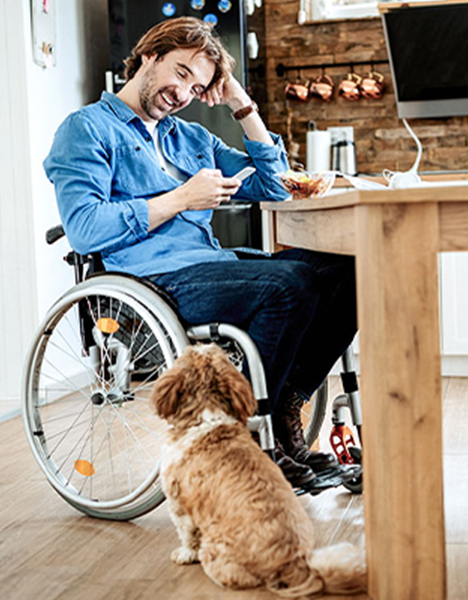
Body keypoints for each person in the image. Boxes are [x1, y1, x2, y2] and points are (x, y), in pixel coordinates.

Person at [44, 17, 357, 487]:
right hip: (151, 281)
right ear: (150, 56)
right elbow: (86, 229)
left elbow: (274, 186)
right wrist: (181, 199)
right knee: (290, 284)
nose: (185, 92)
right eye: (182, 73)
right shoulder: (86, 129)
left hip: (212, 268)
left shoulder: (189, 138)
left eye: (199, 85)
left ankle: (287, 407)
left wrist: (240, 103)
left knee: (346, 270)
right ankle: (251, 434)